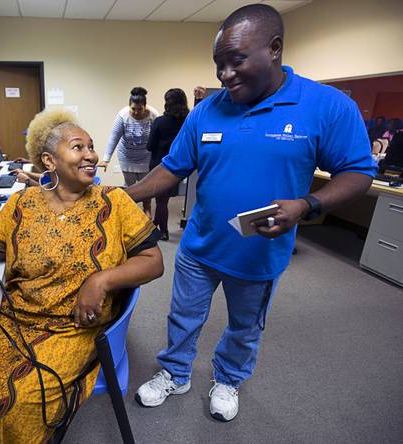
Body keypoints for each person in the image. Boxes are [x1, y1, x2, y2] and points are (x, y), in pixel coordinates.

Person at [128, 4, 375, 422]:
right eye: (218, 64)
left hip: (259, 253)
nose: (224, 74)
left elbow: (358, 172)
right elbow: (172, 168)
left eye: (236, 60)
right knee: (183, 316)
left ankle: (228, 378)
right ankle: (175, 371)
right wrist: (122, 195)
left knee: (244, 327)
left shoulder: (325, 106)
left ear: (274, 48)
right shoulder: (208, 110)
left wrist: (307, 205)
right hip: (199, 247)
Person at [0, 109, 163, 443]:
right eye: (79, 147)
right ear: (49, 161)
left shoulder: (115, 201)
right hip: (15, 317)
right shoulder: (23, 202)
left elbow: (154, 260)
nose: (91, 155)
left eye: (91, 147)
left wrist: (100, 280)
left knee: (13, 404)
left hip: (71, 329)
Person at [99, 87, 159, 218]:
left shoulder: (153, 115)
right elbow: (113, 137)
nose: (136, 112)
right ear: (129, 106)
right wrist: (106, 159)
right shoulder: (122, 116)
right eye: (133, 109)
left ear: (145, 106)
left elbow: (158, 136)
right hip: (127, 156)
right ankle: (130, 214)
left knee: (146, 187)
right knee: (129, 186)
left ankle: (147, 210)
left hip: (145, 157)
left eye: (140, 109)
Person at [146, 88, 190, 240]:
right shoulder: (188, 121)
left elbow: (149, 146)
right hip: (179, 166)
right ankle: (156, 225)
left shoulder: (160, 122)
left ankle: (163, 231)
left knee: (161, 202)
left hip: (160, 166)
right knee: (165, 200)